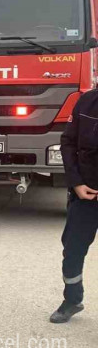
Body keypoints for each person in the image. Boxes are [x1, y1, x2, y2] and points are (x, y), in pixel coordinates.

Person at [52, 89, 98, 323]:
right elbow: (68, 142)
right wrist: (77, 183)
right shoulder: (87, 101)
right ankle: (72, 300)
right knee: (72, 250)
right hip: (85, 195)